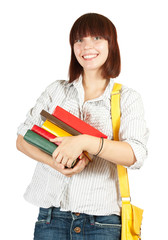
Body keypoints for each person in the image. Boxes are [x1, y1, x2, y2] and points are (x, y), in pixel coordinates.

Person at [16, 13, 149, 240]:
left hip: (102, 223)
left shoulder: (126, 98)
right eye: (79, 40)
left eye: (97, 37)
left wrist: (84, 141)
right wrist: (56, 164)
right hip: (51, 219)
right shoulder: (56, 90)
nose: (87, 46)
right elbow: (22, 139)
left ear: (111, 44)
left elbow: (136, 155)